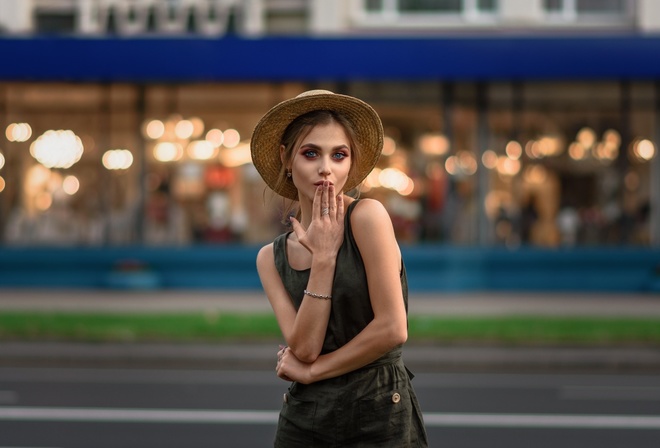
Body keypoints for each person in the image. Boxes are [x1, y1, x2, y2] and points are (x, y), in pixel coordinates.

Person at [250, 90, 428, 447]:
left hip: (377, 411)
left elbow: (393, 328)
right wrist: (325, 257)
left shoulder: (368, 217)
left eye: (339, 155)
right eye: (311, 153)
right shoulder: (271, 257)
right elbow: (304, 348)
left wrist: (313, 372)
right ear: (286, 158)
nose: (326, 168)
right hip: (306, 417)